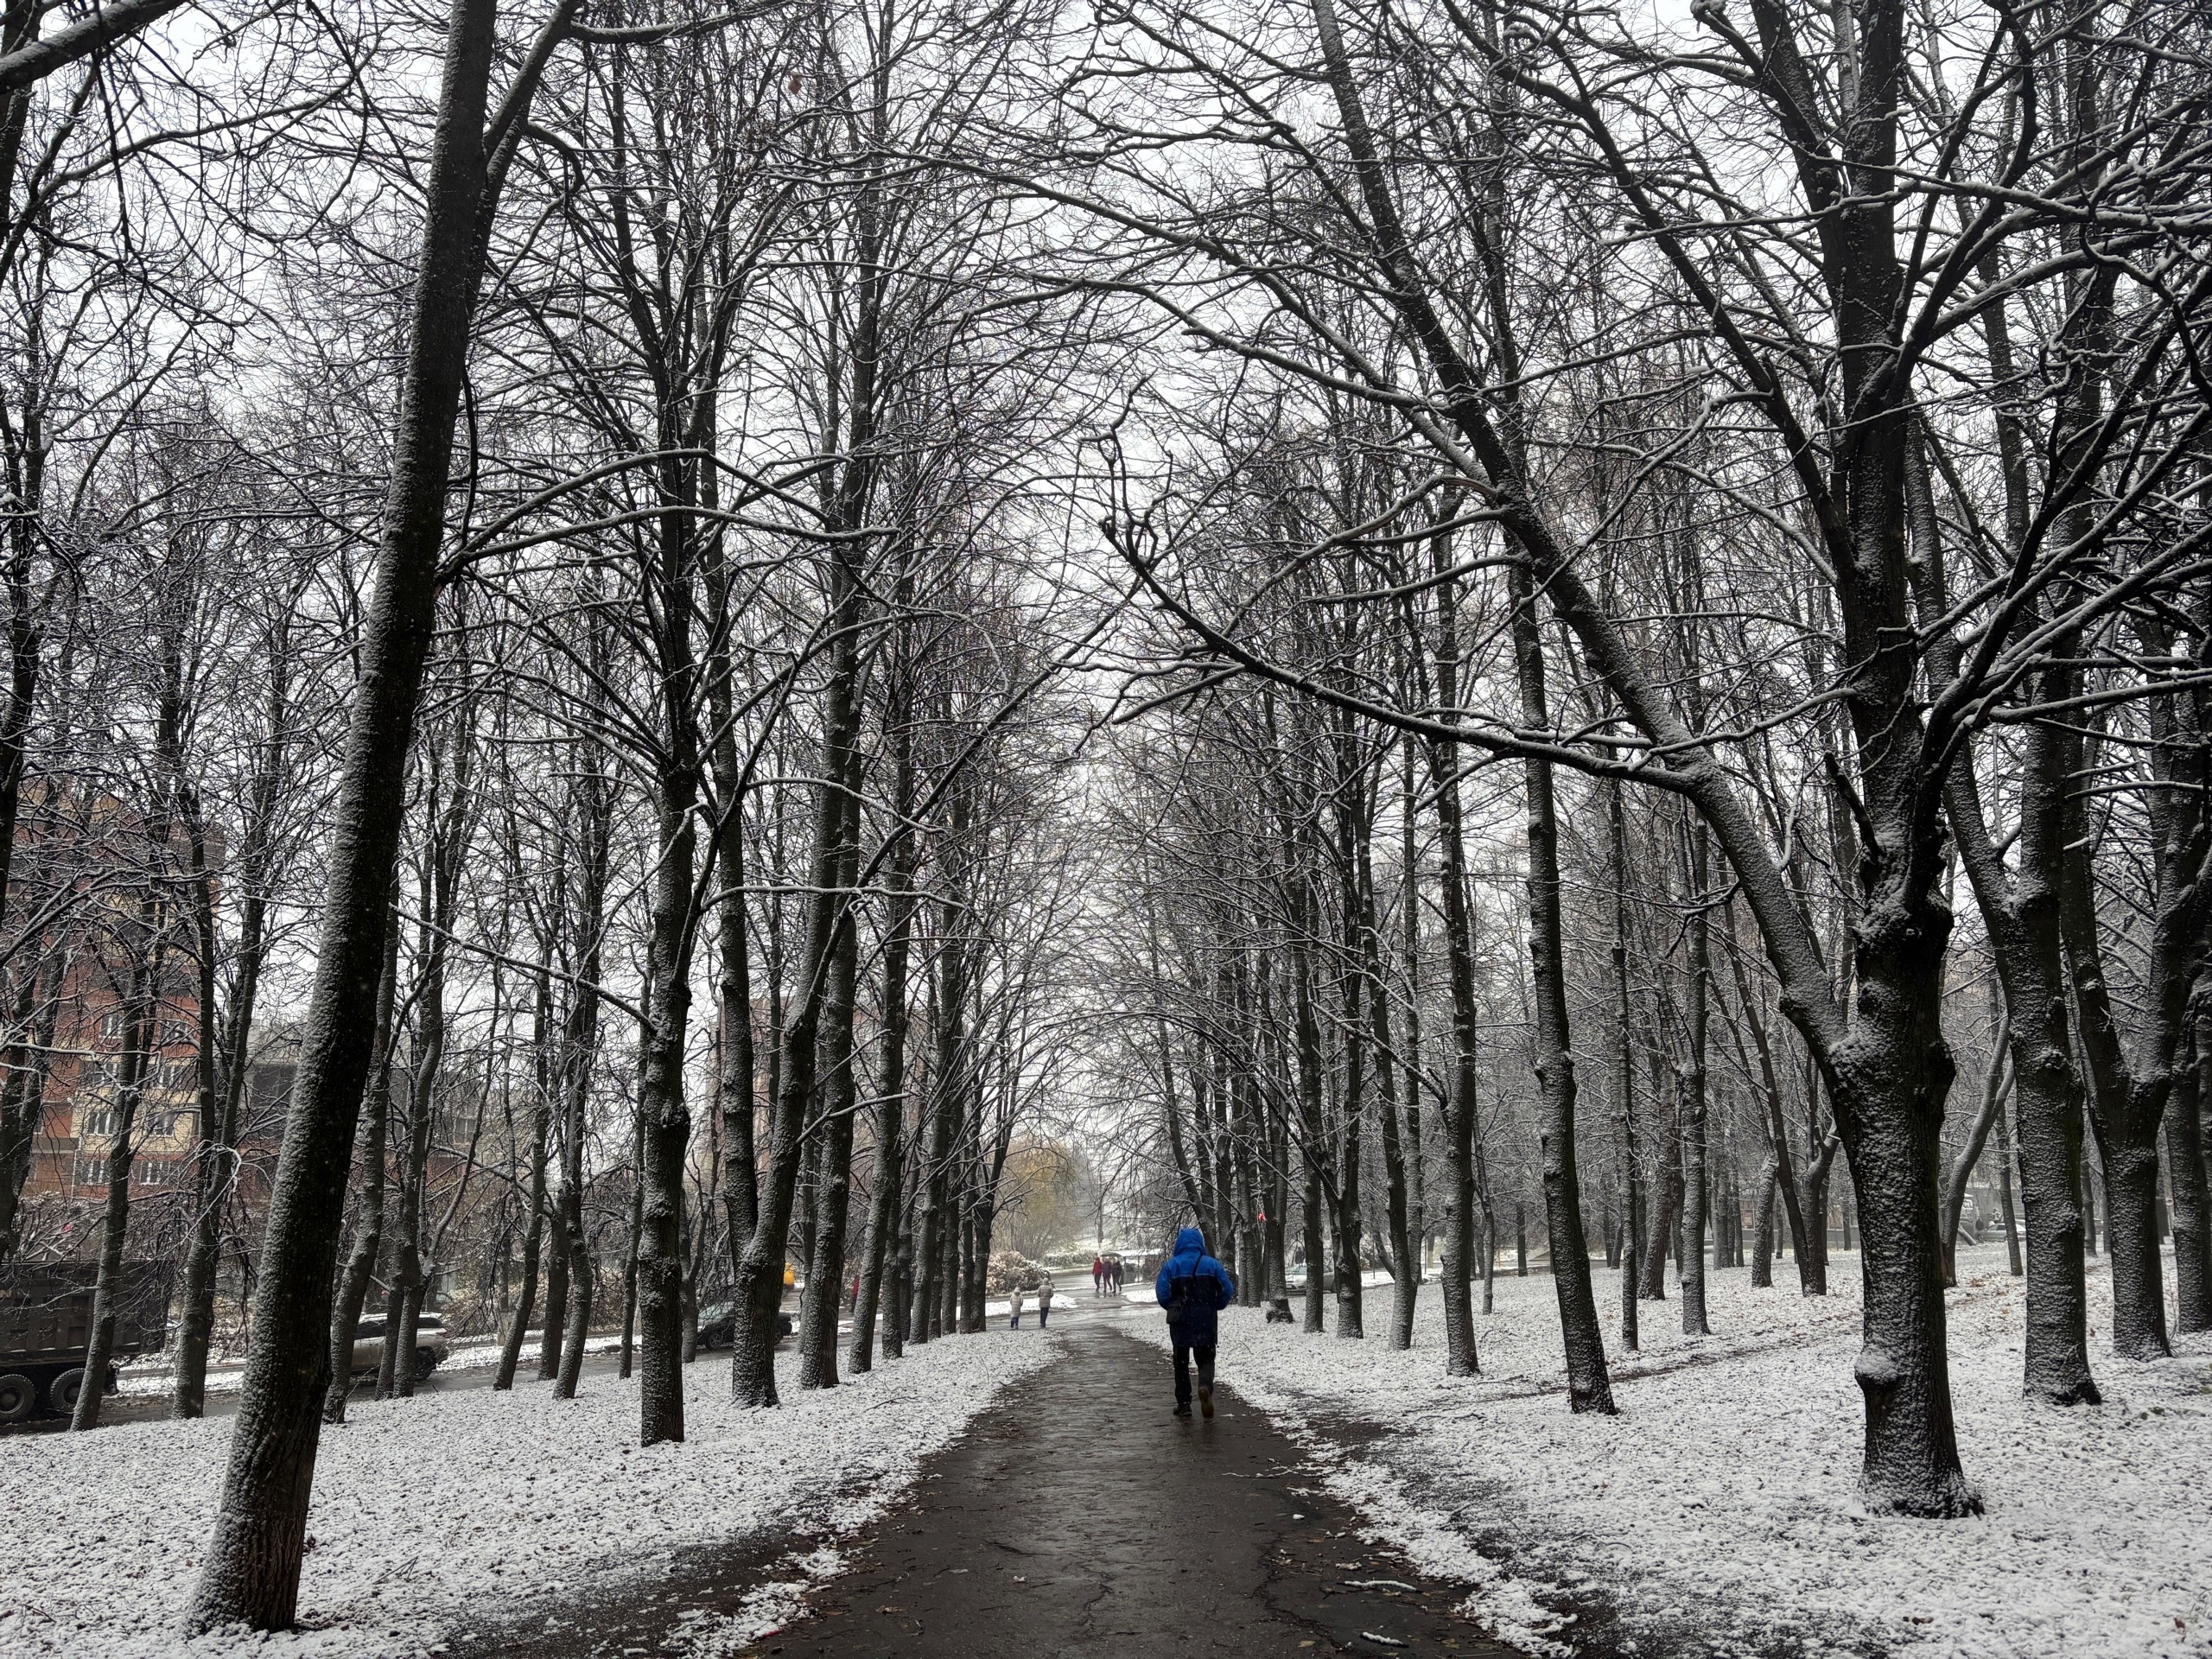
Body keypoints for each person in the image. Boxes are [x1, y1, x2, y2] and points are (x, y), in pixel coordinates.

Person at [1154, 1225, 1236, 1419]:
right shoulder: (1212, 1265)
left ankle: (1184, 1405)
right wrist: (1216, 1305)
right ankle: (1204, 1387)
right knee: (1206, 1358)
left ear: (1179, 1244)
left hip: (1180, 1320)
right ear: (1199, 1243)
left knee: (1181, 1362)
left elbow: (1162, 1293)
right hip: (1205, 1319)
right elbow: (1227, 1289)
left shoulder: (1171, 1266)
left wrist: (1173, 1306)